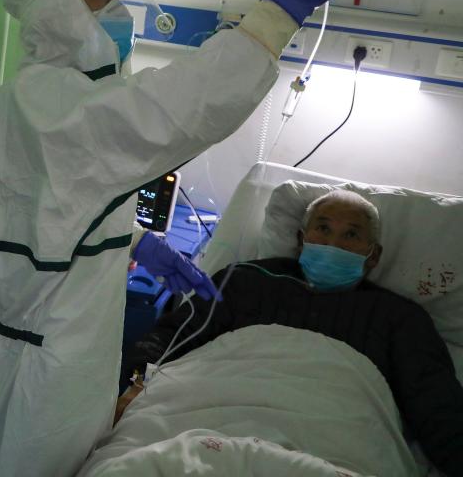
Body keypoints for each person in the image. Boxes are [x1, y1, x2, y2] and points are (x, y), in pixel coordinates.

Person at [0, 0, 371, 477]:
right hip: (45, 366)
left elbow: (58, 209)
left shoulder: (67, 98)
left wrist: (139, 243)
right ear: (53, 13)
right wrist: (282, 7)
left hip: (68, 351)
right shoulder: (43, 101)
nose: (120, 9)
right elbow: (177, 106)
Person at [120, 190, 463, 476]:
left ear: (374, 257)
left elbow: (437, 407)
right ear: (302, 240)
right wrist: (128, 384)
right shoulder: (245, 279)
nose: (333, 243)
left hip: (335, 434)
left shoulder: (399, 317)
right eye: (323, 229)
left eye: (352, 235)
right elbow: (173, 335)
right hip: (205, 409)